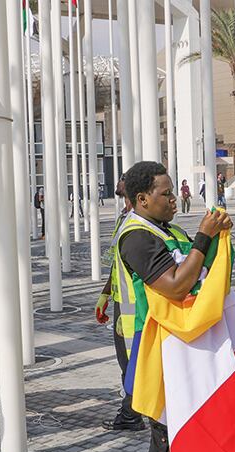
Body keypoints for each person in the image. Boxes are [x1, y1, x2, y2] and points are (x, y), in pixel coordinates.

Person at [115, 161, 232, 452]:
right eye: (166, 194)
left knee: (183, 434)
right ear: (142, 199)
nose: (174, 200)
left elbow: (199, 273)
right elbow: (177, 284)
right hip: (156, 350)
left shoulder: (166, 229)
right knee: (164, 439)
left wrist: (214, 238)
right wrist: (203, 236)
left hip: (183, 346)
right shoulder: (135, 236)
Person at [94, 176, 145, 433]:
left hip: (134, 308)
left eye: (126, 178)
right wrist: (105, 294)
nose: (122, 180)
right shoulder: (124, 217)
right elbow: (117, 263)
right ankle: (131, 412)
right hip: (121, 302)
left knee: (131, 363)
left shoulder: (139, 222)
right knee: (128, 362)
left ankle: (131, 414)